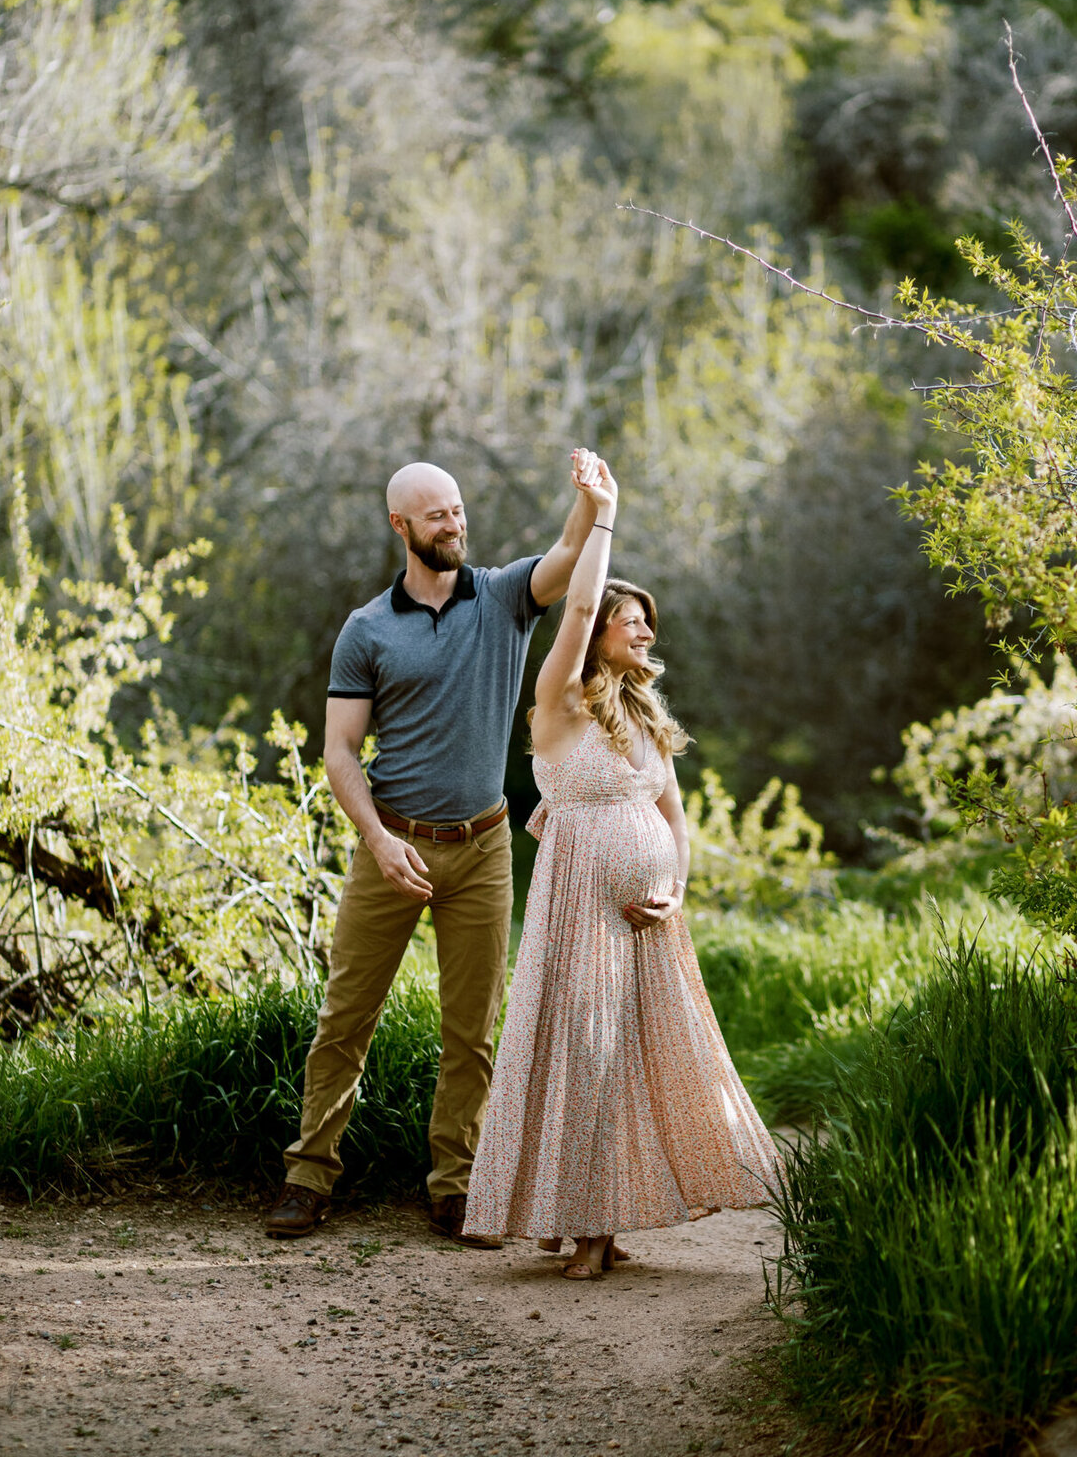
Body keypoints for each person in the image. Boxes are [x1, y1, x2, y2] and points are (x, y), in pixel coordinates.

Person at [265, 450, 605, 1245]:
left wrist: (595, 499)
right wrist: (378, 841)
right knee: (346, 1018)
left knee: (472, 1031)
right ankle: (308, 1177)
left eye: (457, 509)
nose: (454, 523)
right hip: (393, 850)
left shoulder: (504, 597)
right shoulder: (367, 630)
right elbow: (340, 752)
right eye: (437, 514)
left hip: (483, 850)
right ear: (401, 526)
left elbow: (567, 553)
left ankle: (457, 1187)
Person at [463, 457, 780, 1276]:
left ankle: (606, 1221)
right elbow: (571, 602)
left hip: (649, 925)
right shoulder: (559, 706)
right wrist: (602, 515)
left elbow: (673, 818)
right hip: (579, 914)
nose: (645, 633)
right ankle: (584, 1223)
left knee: (633, 1062)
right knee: (582, 1055)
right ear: (598, 632)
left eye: (649, 623)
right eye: (630, 622)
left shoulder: (644, 718)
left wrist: (674, 888)